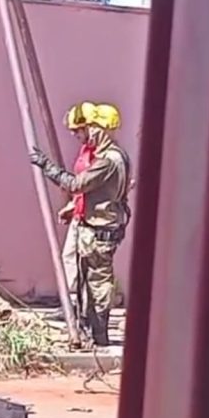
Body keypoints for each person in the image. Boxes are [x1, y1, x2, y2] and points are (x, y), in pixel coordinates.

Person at [31, 102, 131, 347]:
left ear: (99, 129)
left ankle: (99, 336)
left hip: (99, 233)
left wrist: (46, 166)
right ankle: (92, 332)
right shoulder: (117, 157)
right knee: (90, 284)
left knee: (97, 286)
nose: (82, 136)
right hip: (99, 229)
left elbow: (77, 184)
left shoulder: (108, 161)